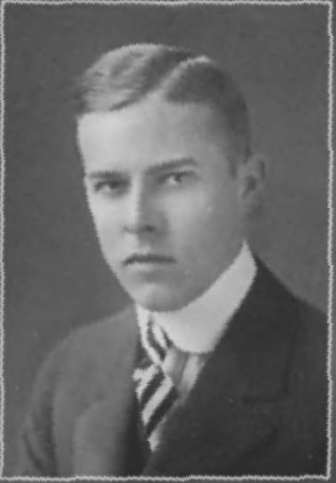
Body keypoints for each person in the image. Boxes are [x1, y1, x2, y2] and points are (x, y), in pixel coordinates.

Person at [15, 43, 328, 477]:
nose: (138, 220)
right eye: (110, 185)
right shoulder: (69, 372)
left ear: (248, 186)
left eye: (175, 179)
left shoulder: (322, 375)